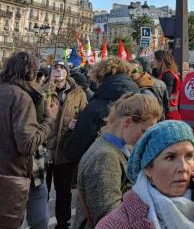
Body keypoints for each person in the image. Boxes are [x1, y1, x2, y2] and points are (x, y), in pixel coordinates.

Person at [96, 120, 194, 229]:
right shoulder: (117, 223)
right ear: (148, 168)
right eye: (170, 157)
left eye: (189, 156)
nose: (183, 167)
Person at [74, 93, 162, 229]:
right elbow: (109, 219)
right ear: (127, 122)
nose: (146, 139)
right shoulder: (105, 158)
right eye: (144, 131)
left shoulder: (120, 146)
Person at [0, 51, 58, 229]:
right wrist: (50, 120)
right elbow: (27, 144)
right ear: (30, 72)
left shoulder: (8, 91)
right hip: (18, 174)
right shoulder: (21, 97)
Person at [63, 57, 140, 163]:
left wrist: (69, 132)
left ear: (99, 77)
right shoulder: (140, 100)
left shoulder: (96, 108)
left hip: (100, 165)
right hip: (133, 164)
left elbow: (73, 151)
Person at [44, 60, 88, 229]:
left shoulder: (78, 94)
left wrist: (75, 123)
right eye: (55, 68)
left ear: (68, 73)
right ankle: (40, 221)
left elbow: (84, 117)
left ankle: (62, 223)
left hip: (65, 151)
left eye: (62, 68)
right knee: (42, 193)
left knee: (63, 192)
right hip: (46, 151)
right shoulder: (43, 92)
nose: (59, 71)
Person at [153, 50, 181, 120]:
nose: (153, 61)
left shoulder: (168, 76)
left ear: (161, 61)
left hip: (168, 115)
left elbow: (165, 96)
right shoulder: (164, 74)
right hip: (168, 113)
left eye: (155, 59)